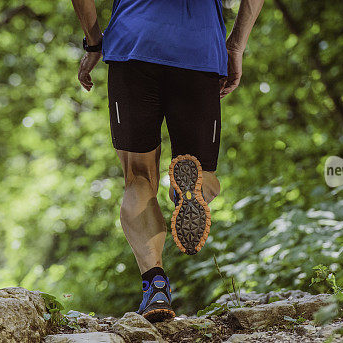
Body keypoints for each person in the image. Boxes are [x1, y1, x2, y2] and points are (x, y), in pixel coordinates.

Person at [70, 0, 263, 322]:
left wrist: (93, 43)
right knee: (203, 176)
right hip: (199, 51)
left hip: (133, 47)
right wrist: (235, 46)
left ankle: (155, 285)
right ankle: (189, 189)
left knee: (138, 178)